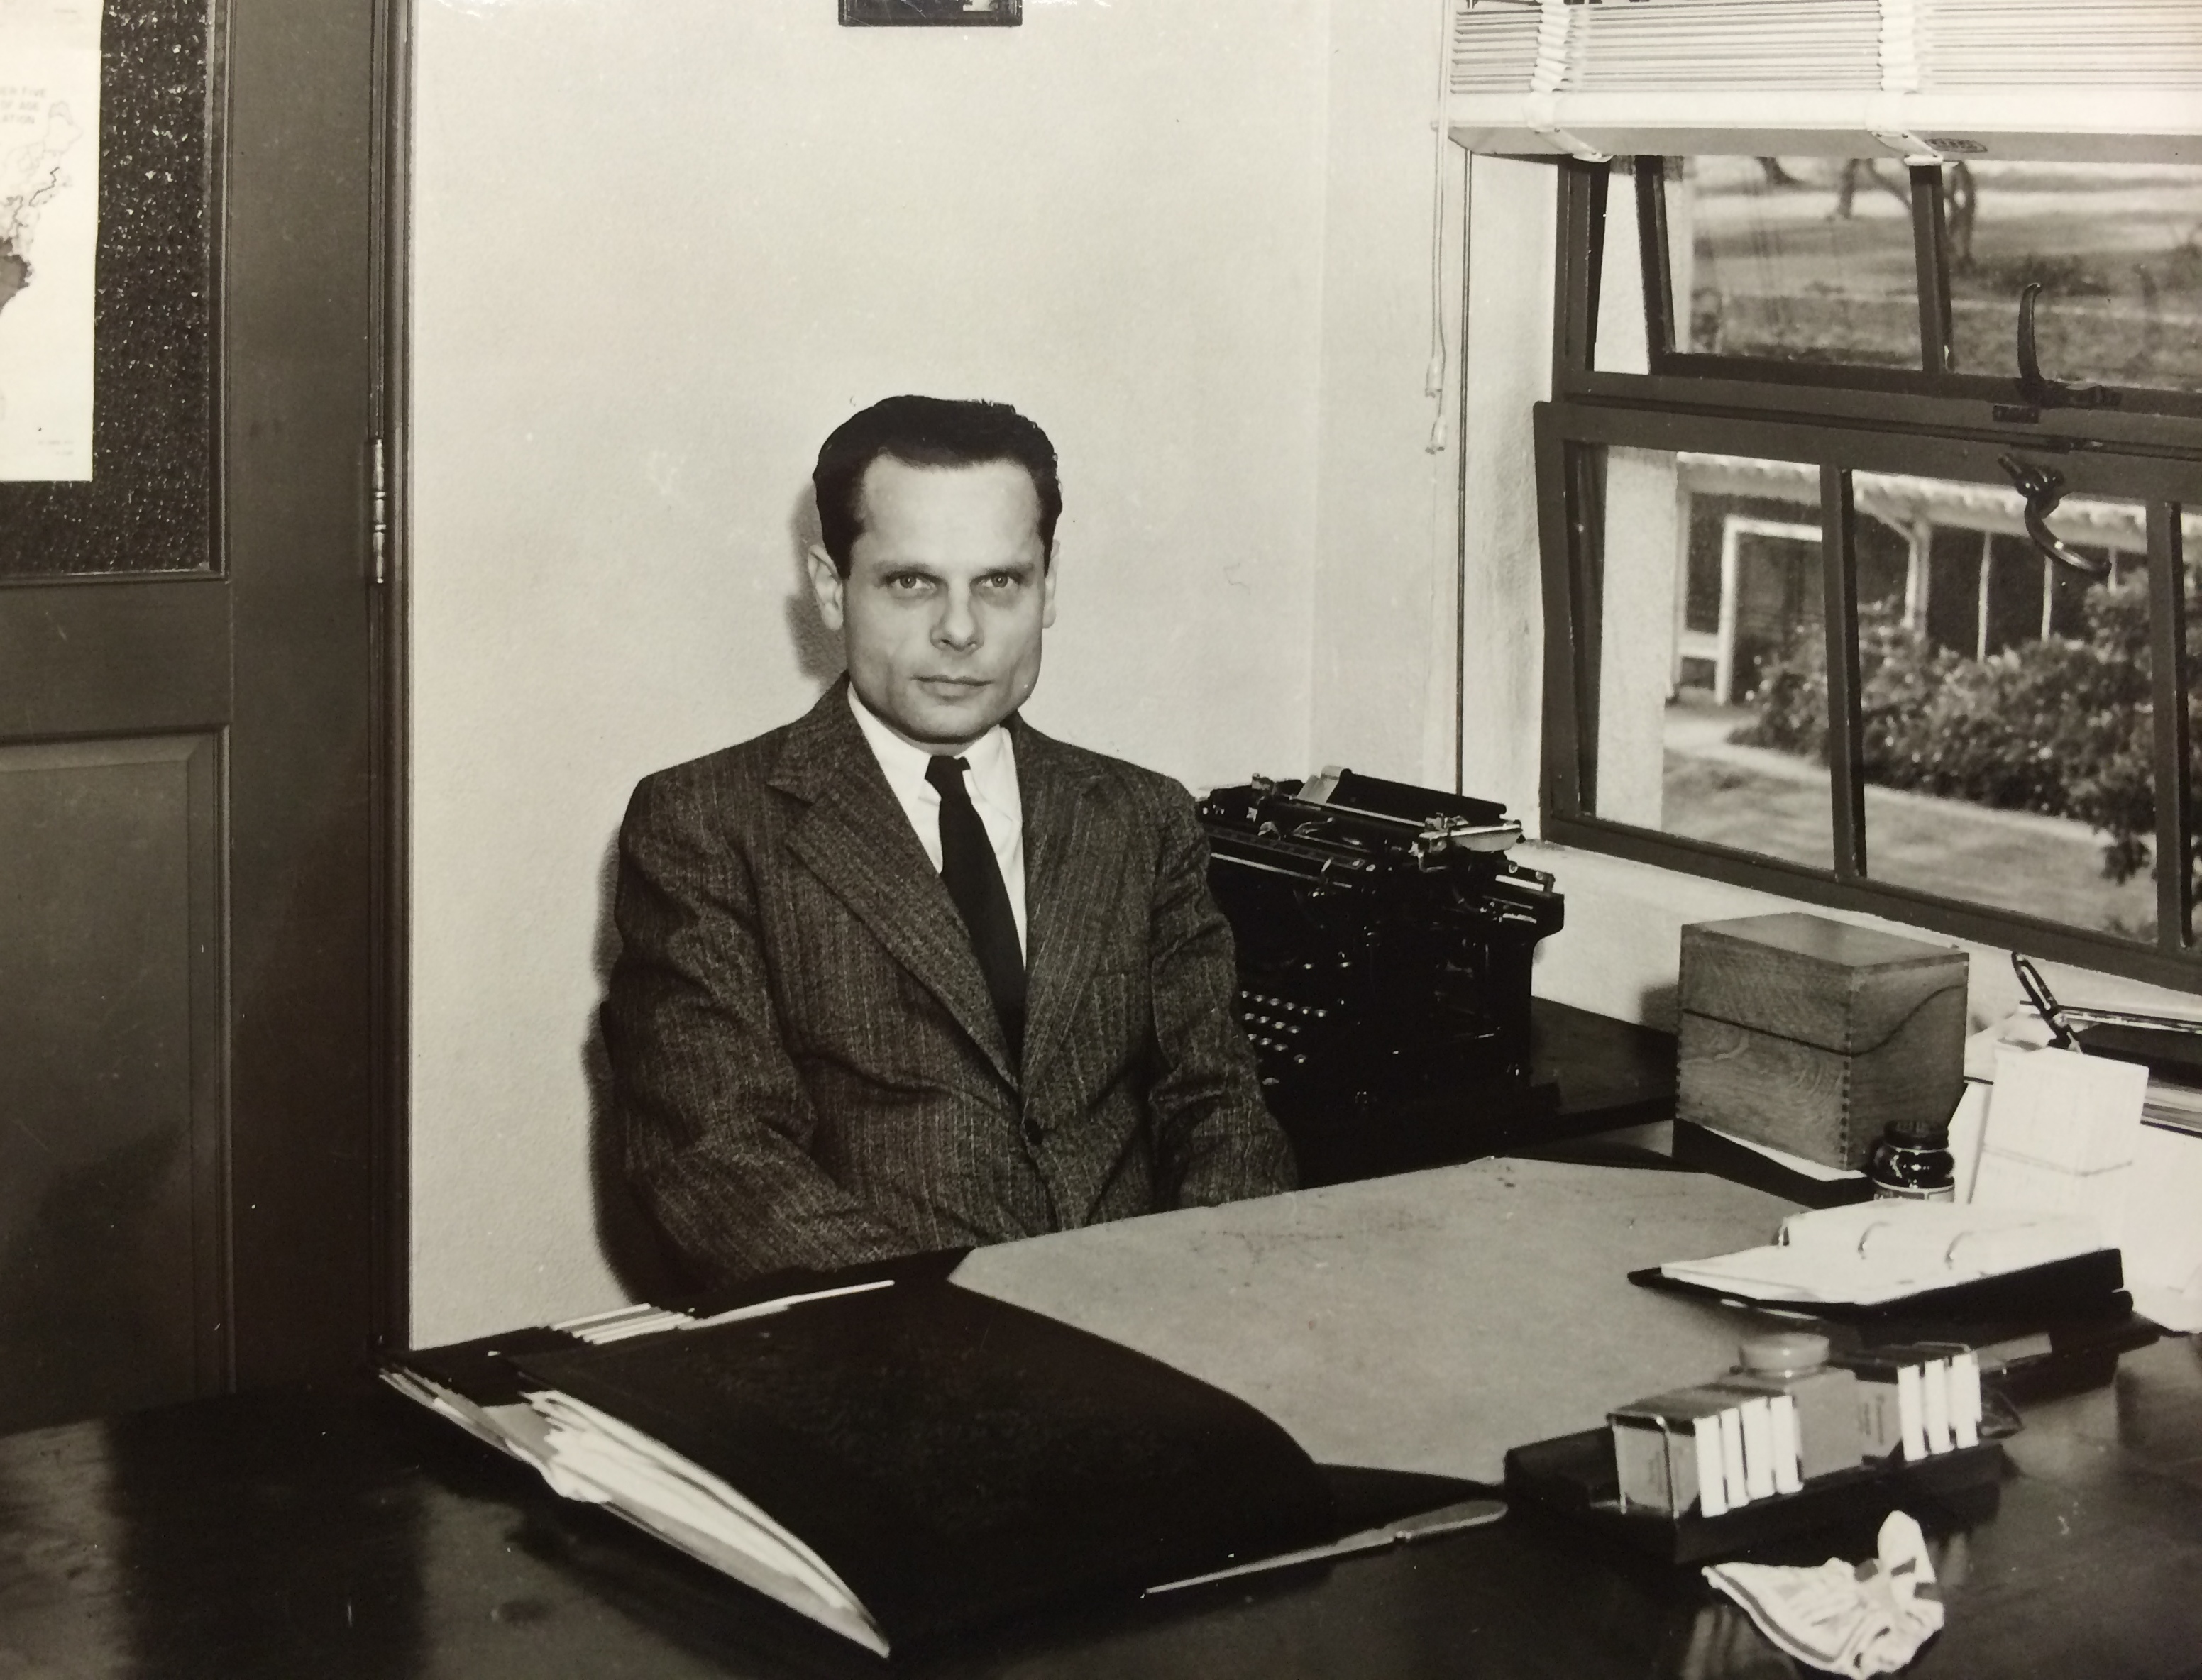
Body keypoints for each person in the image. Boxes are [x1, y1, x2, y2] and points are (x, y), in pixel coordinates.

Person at [604, 394, 1296, 1286]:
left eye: (1000, 582)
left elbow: (1218, 1108)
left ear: (1049, 585)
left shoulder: (1142, 815)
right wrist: (966, 1329)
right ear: (830, 586)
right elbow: (720, 1163)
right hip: (886, 1339)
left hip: (1146, 1319)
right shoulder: (705, 821)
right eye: (911, 582)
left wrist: (1196, 1297)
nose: (960, 631)